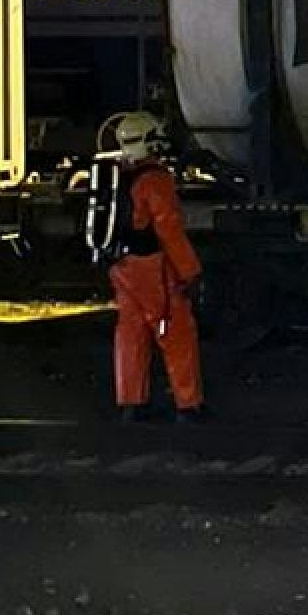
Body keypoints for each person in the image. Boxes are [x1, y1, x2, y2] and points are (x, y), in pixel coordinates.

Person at [104, 112, 206, 423]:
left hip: (122, 267)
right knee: (173, 331)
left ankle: (131, 403)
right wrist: (190, 272)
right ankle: (188, 405)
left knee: (131, 332)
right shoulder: (155, 180)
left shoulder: (118, 175)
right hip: (153, 269)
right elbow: (169, 231)